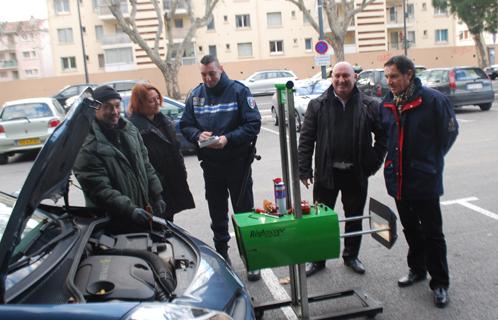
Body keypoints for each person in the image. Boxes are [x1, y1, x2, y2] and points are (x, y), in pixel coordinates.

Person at [381, 55, 458, 308]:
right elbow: (386, 136)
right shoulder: (388, 103)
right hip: (398, 180)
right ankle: (417, 269)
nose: (389, 82)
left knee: (433, 233)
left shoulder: (434, 101)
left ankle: (440, 284)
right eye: (387, 77)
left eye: (394, 76)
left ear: (409, 74)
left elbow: (448, 134)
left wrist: (430, 161)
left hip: (424, 180)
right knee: (410, 229)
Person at [298, 61, 387, 277]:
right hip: (326, 174)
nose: (341, 80)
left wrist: (372, 164)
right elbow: (306, 140)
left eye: (346, 76)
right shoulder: (317, 105)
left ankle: (351, 256)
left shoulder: (369, 105)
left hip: (356, 173)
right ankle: (318, 260)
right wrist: (304, 170)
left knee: (354, 217)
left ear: (355, 77)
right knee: (321, 220)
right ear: (331, 77)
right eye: (337, 76)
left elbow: (383, 137)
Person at [180, 55, 261, 281]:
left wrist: (228, 138)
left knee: (245, 213)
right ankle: (223, 257)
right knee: (217, 213)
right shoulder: (195, 95)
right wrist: (198, 135)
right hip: (211, 166)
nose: (208, 79)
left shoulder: (239, 92)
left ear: (221, 70)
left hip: (238, 163)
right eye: (204, 75)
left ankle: (253, 260)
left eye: (212, 74)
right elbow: (185, 124)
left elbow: (253, 124)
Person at [73, 85, 166, 232]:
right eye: (107, 107)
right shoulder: (87, 145)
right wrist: (130, 210)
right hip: (111, 222)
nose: (115, 112)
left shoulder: (129, 129)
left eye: (117, 106)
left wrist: (157, 193)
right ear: (95, 109)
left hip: (140, 212)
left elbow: (145, 163)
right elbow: (99, 189)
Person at [128, 83, 195, 222]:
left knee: (169, 222)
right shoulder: (134, 128)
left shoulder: (163, 120)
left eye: (158, 98)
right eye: (151, 100)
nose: (157, 102)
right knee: (157, 226)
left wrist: (181, 171)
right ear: (140, 103)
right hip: (155, 189)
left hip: (171, 184)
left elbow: (175, 150)